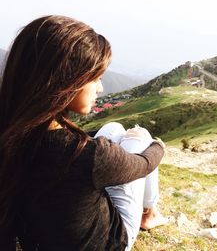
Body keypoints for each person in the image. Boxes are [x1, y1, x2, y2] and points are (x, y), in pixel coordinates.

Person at [0, 15, 166, 250]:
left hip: (40, 238)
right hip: (110, 243)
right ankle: (150, 214)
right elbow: (142, 165)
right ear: (67, 80)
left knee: (113, 129)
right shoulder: (86, 155)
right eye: (96, 78)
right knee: (140, 139)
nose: (100, 87)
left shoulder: (13, 133)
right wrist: (158, 147)